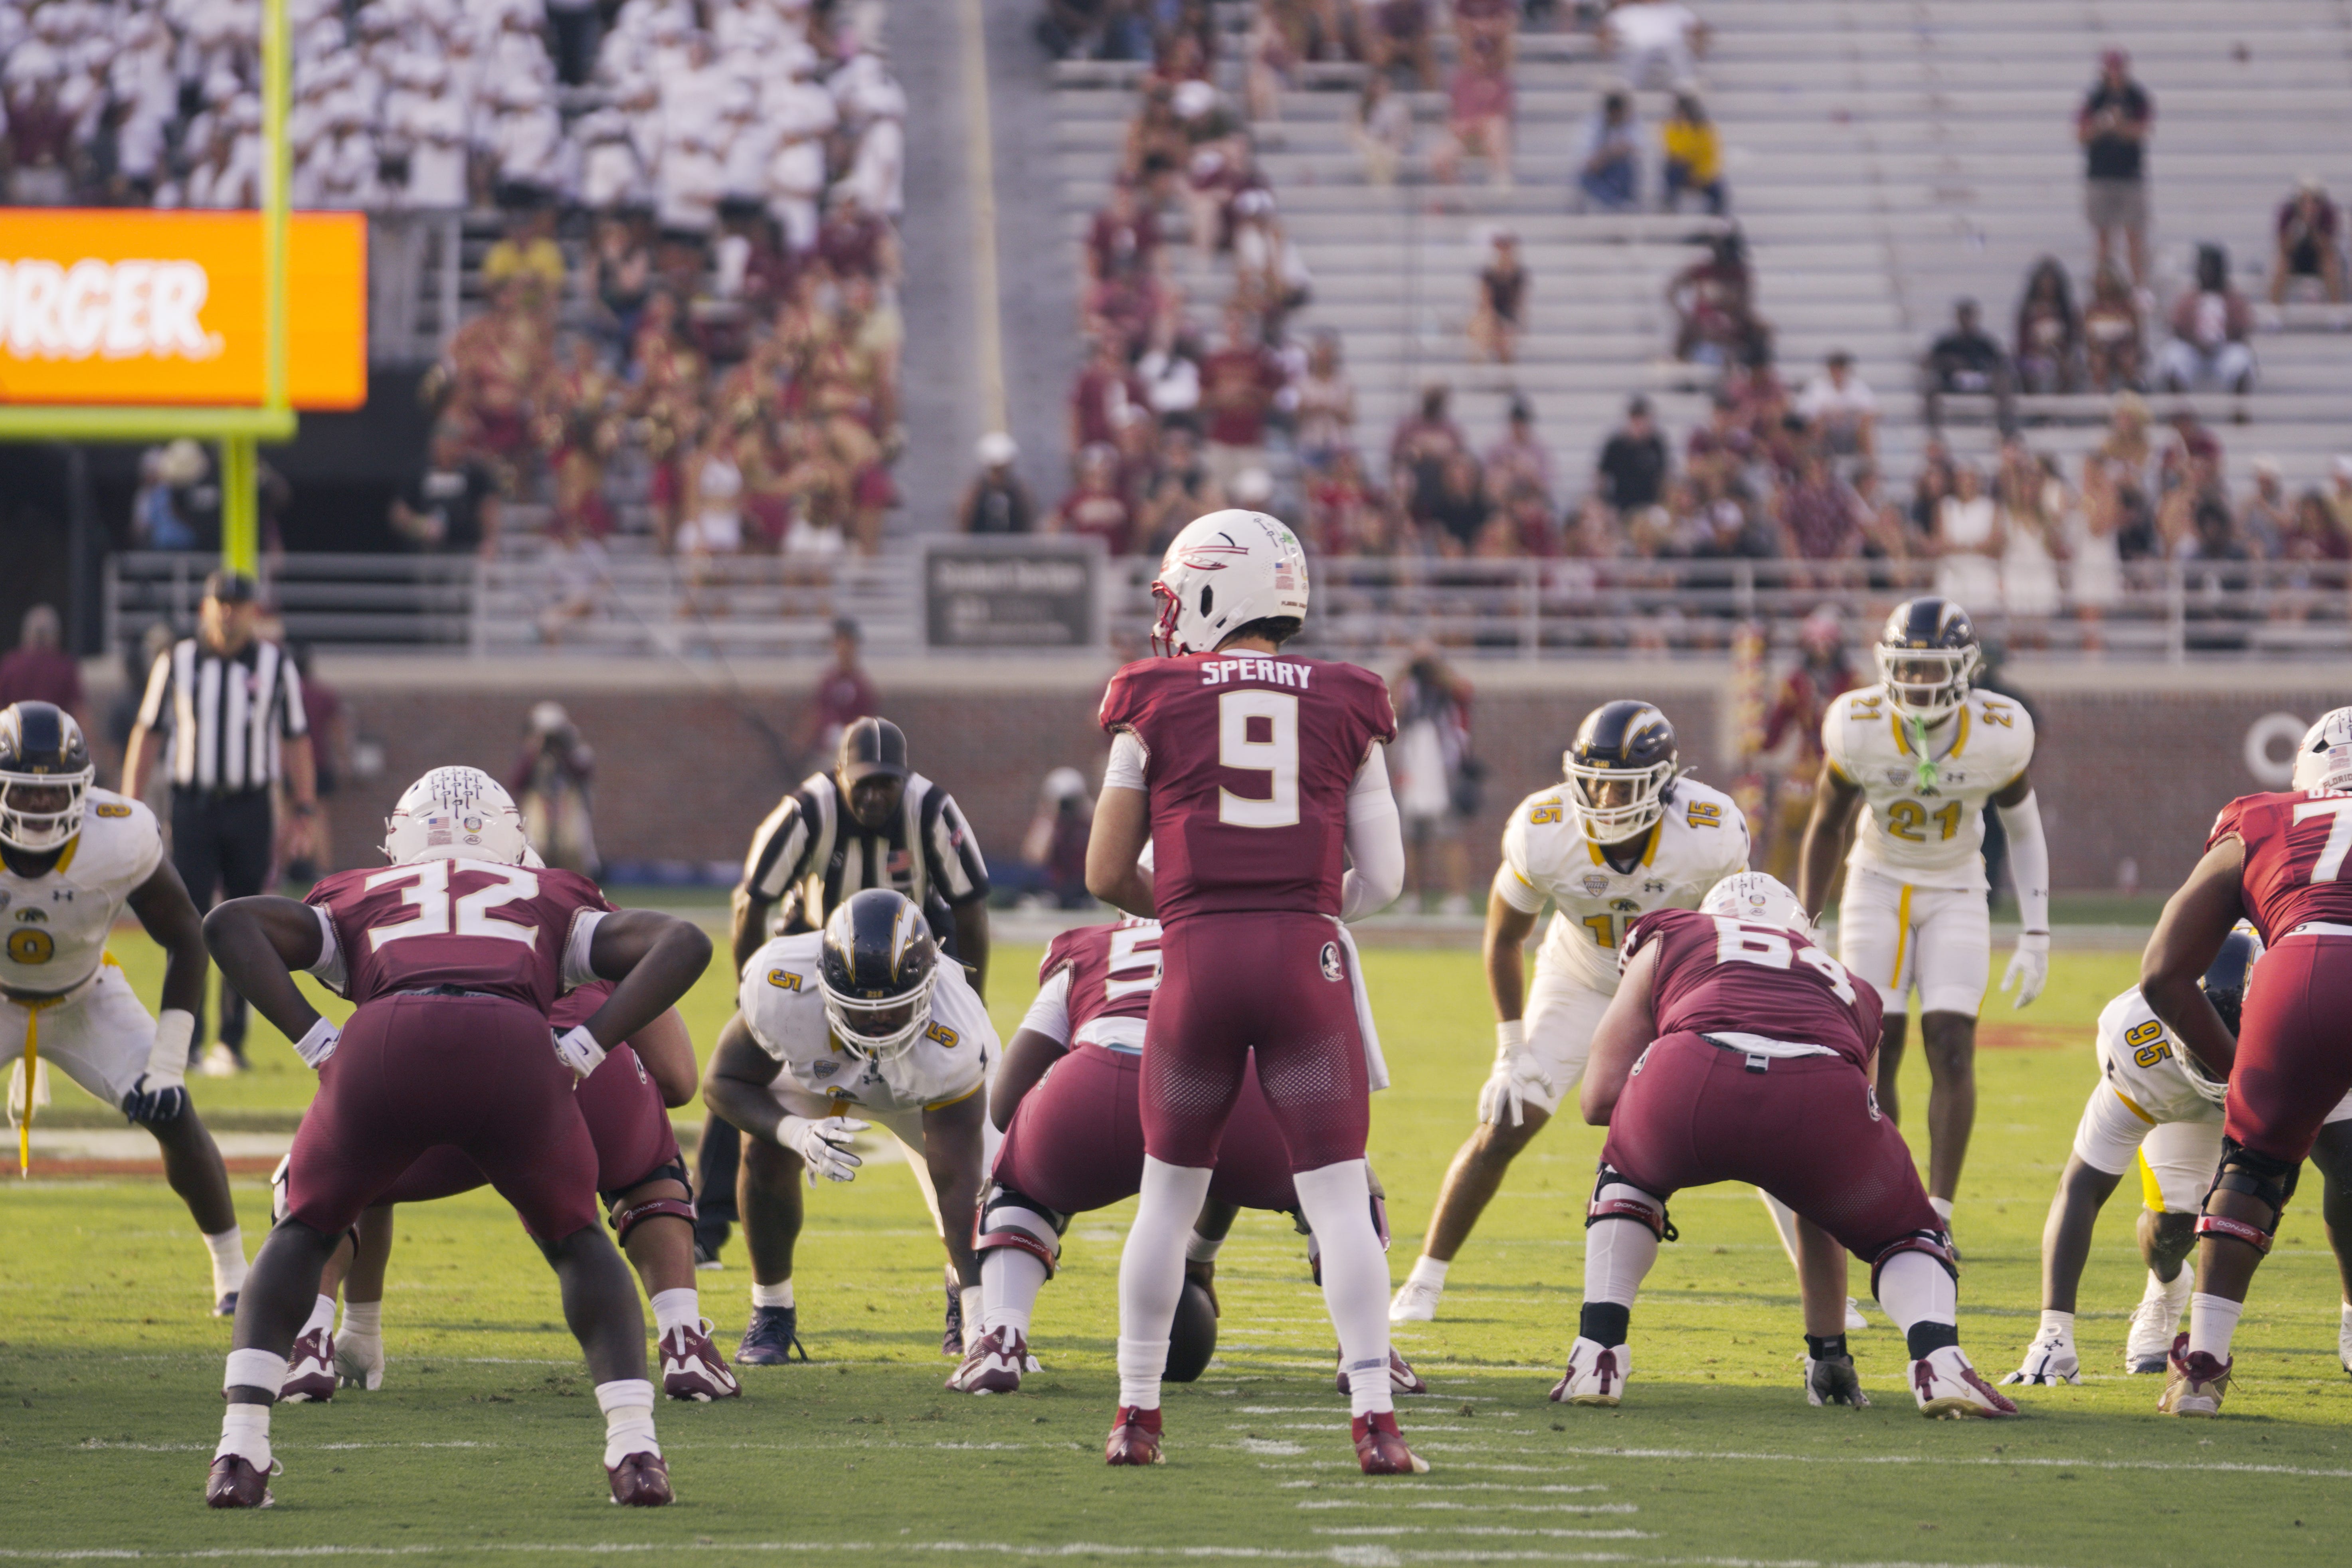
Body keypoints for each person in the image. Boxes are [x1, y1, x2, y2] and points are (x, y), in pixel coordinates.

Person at [197, 767, 713, 1507]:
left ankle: (240, 1448)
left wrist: (318, 1044)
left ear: (398, 839)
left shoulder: (359, 892)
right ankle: (636, 1449)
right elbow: (683, 942)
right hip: (513, 1051)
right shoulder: (549, 893)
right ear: (511, 839)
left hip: (386, 1045)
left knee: (302, 1227)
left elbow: (228, 924)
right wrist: (583, 1049)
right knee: (578, 1242)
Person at [1087, 507, 1416, 1472]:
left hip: (1196, 961)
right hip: (1305, 964)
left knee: (1166, 1197)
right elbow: (1387, 878)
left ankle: (1136, 1416)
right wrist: (1301, 909)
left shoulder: (1151, 698)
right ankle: (1374, 1421)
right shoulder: (1349, 697)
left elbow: (1104, 871)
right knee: (1338, 1197)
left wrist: (1194, 907)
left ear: (1207, 590)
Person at [1562, 873, 2017, 1418]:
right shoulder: (1855, 987)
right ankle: (1939, 1359)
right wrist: (1829, 1349)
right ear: (1802, 930)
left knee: (1626, 1177)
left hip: (1691, 1073)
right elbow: (1823, 1191)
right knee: (1909, 1233)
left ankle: (1598, 1352)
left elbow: (1598, 1099)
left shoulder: (1676, 932)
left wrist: (1668, 1122)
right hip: (1821, 1091)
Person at [953, 915, 1424, 1397]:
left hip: (1096, 1086)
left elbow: (1004, 1103)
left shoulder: (1086, 945)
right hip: (1227, 1096)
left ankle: (1001, 1339)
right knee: (1339, 1180)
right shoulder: (1253, 932)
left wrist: (1041, 1143)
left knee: (1017, 1185)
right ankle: (1367, 1350)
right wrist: (1200, 1252)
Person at [1391, 701, 1750, 1323]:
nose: (1606, 800)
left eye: (1623, 787)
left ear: (1663, 784)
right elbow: (1504, 937)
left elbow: (1738, 934)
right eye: (1595, 783)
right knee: (1509, 1118)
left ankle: (1824, 1294)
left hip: (1675, 981)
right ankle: (1426, 1277)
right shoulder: (1546, 829)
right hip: (1580, 975)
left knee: (1754, 1120)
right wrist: (1510, 1048)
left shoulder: (1708, 831)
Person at [271, 981, 738, 1406]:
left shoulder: (389, 919)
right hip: (574, 1057)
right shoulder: (585, 923)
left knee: (333, 1172)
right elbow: (678, 1079)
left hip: (435, 1066)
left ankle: (314, 1341)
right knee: (649, 1171)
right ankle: (684, 1341)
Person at [704, 718, 990, 1317]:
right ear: (839, 777)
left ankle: (969, 1302)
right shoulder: (807, 812)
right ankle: (719, 1240)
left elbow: (970, 907)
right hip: (821, 963)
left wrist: (972, 1000)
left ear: (906, 780)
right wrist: (749, 999)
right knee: (754, 1112)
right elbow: (751, 901)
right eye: (865, 784)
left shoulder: (932, 809)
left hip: (915, 971)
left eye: (888, 783)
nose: (876, 796)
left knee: (982, 1172)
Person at [1796, 601, 2047, 1241]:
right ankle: (1888, 1197)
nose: (1918, 681)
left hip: (1956, 885)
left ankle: (1938, 1214)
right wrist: (1807, 920)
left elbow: (2023, 828)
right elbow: (1826, 822)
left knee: (1952, 1043)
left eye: (1932, 667)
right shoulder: (1857, 724)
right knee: (1877, 1044)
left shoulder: (1997, 730)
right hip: (1876, 881)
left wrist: (2036, 932)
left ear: (1965, 670)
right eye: (1907, 667)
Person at [2003, 929, 2352, 1386]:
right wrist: (2053, 1334)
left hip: (2287, 1058)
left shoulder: (2307, 1003)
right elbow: (2082, 1185)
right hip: (2185, 1093)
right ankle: (2166, 1285)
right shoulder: (2136, 1044)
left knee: (2348, 1165)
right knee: (2172, 1226)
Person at [2135, 707, 2352, 1413]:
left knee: (2252, 1169)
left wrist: (2243, 1080)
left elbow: (2162, 973)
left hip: (2304, 965)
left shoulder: (2260, 816)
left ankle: (2202, 1365)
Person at [0, 702, 247, 1311]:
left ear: (83, 790)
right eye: (24, 791)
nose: (39, 806)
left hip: (86, 998)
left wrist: (167, 1062)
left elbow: (187, 937)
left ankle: (235, 1275)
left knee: (174, 1113)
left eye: (53, 791)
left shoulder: (117, 835)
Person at [702, 889, 995, 1366]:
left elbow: (957, 1179)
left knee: (989, 1199)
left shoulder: (956, 1032)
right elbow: (722, 1082)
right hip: (820, 1075)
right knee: (762, 1149)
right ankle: (771, 1310)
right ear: (824, 985)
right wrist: (796, 1132)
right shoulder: (780, 980)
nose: (879, 1022)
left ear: (928, 987)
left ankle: (969, 1308)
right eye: (862, 1008)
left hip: (921, 1087)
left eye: (894, 1007)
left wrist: (985, 1324)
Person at [121, 572, 319, 1076]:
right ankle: (185, 1040)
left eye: (238, 603)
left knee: (242, 919)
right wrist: (129, 804)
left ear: (254, 611)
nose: (229, 612)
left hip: (250, 806)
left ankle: (230, 1042)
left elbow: (297, 737)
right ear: (205, 607)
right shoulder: (178, 660)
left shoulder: (275, 664)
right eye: (221, 602)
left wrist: (304, 807)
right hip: (193, 804)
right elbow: (148, 732)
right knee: (185, 919)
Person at [1389, 647, 1475, 914]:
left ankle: (1458, 896)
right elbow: (1390, 706)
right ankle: (1413, 896)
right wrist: (1407, 668)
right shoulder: (1409, 686)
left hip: (1443, 767)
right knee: (1411, 836)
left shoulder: (1446, 684)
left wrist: (1434, 666)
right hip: (1413, 764)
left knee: (1449, 834)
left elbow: (1463, 690)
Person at [2077, 50, 2152, 289]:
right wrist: (2101, 125)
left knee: (2134, 236)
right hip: (2101, 177)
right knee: (2103, 238)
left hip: (2129, 177)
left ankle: (2138, 288)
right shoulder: (2095, 98)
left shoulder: (2136, 97)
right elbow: (2081, 134)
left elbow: (2143, 131)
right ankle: (2103, 288)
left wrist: (2121, 126)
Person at [510, 702, 600, 878]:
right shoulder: (530, 753)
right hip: (539, 804)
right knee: (536, 847)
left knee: (572, 848)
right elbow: (517, 782)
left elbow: (585, 771)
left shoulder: (576, 750)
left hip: (568, 804)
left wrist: (566, 750)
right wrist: (534, 750)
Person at [2158, 245, 2256, 395]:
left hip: (2223, 352)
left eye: (2212, 268)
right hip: (2194, 352)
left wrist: (2219, 341)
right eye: (2204, 267)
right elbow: (2177, 329)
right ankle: (2180, 408)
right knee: (2173, 356)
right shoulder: (2188, 298)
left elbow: (2242, 331)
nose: (2208, 272)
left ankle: (2238, 408)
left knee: (2241, 358)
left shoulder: (2234, 299)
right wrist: (2197, 342)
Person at [1923, 300, 2014, 433]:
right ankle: (1933, 431)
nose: (1966, 321)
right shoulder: (1947, 343)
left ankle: (2006, 428)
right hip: (1954, 381)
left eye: (1969, 316)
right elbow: (1928, 362)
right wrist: (1949, 363)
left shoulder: (1984, 343)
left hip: (1980, 381)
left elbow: (2001, 361)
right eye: (1963, 317)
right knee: (1931, 386)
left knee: (2002, 381)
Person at [801, 619, 881, 771]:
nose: (844, 648)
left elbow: (868, 723)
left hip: (851, 757)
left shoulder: (861, 686)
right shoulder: (828, 681)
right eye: (840, 642)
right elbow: (818, 714)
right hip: (825, 754)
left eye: (848, 643)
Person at [0, 606, 84, 725]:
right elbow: (80, 712)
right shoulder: (64, 667)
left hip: (14, 734)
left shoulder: (10, 664)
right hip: (54, 735)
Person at [1794, 351, 1876, 467]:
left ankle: (1870, 468)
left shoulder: (1857, 387)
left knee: (1866, 426)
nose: (1838, 372)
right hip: (1826, 431)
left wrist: (1850, 415)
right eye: (1835, 368)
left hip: (1851, 432)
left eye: (1841, 368)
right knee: (1817, 424)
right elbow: (1803, 412)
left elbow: (1873, 411)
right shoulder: (1818, 387)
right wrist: (1828, 415)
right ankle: (1817, 464)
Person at [2013, 258, 2081, 396]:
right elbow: (2022, 342)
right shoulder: (2029, 311)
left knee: (2068, 366)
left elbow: (2072, 338)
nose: (2048, 287)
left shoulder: (2065, 311)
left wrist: (2058, 350)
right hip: (2033, 356)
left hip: (2059, 356)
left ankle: (2061, 402)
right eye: (2045, 283)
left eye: (2051, 283)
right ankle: (2035, 403)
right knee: (2029, 368)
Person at [2271, 176, 2344, 305]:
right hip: (2296, 258)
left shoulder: (2327, 213)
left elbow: (2328, 247)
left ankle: (2336, 308)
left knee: (2330, 264)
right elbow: (2284, 247)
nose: (2309, 206)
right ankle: (2274, 309)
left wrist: (2313, 226)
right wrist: (2298, 227)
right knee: (2281, 264)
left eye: (2314, 201)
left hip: (2319, 259)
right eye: (2304, 201)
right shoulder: (2288, 213)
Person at [1603, 0, 1705, 91]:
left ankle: (1686, 81)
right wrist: (1607, 47)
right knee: (1638, 53)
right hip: (1641, 47)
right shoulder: (1630, 11)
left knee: (1677, 52)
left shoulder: (1675, 9)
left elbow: (1698, 27)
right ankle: (1627, 82)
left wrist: (1699, 47)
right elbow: (1606, 28)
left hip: (1670, 46)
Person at [1594, 398, 1670, 518]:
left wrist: (1662, 503)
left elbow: (1663, 476)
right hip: (1621, 505)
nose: (1640, 426)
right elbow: (1601, 477)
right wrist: (1605, 504)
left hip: (1650, 505)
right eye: (1636, 421)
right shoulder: (1616, 446)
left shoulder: (1656, 445)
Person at [1468, 229, 1527, 363]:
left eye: (1506, 249)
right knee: (1483, 327)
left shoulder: (1518, 275)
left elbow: (1519, 304)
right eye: (1501, 249)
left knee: (1506, 340)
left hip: (1507, 316)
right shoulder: (1488, 274)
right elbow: (1485, 304)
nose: (1504, 253)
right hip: (1489, 316)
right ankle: (1480, 360)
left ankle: (1501, 363)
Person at [960, 433, 1037, 536]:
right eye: (995, 470)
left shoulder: (1018, 493)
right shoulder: (976, 493)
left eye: (1002, 469)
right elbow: (965, 522)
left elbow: (1027, 520)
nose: (998, 475)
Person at [1660, 93, 1724, 214]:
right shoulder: (1672, 128)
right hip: (1682, 170)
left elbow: (1711, 157)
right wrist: (1685, 129)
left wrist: (1700, 176)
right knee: (1671, 170)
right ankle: (1669, 206)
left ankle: (1716, 215)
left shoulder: (1706, 130)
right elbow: (1675, 153)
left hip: (1701, 172)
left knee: (1719, 190)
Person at [1577, 91, 1639, 212]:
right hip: (1599, 171)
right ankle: (1612, 203)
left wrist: (1608, 154)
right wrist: (1608, 154)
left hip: (1617, 169)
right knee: (1585, 177)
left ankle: (1623, 201)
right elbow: (1588, 161)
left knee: (1626, 165)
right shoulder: (1594, 125)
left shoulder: (1629, 123)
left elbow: (1635, 147)